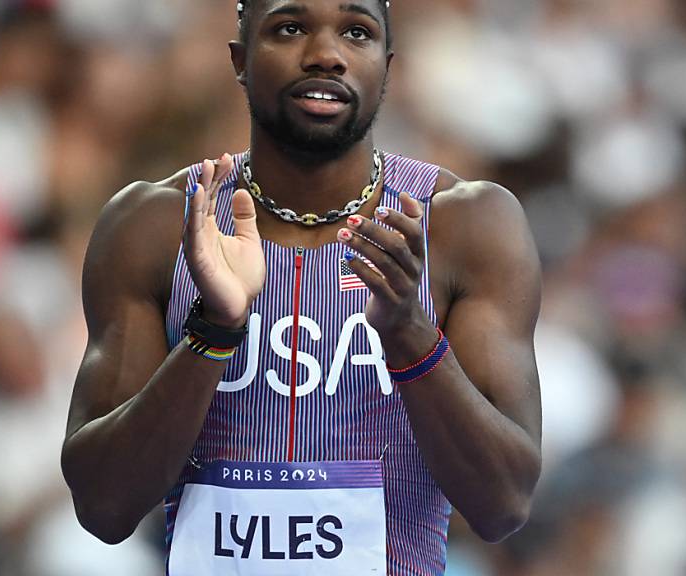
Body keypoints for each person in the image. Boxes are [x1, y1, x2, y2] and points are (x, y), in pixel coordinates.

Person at [60, 0, 542, 573]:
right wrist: (213, 331)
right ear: (240, 59)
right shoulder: (155, 225)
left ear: (387, 66)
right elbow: (103, 506)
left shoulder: (466, 224)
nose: (325, 56)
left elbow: (503, 505)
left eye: (356, 32)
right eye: (290, 28)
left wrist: (410, 335)